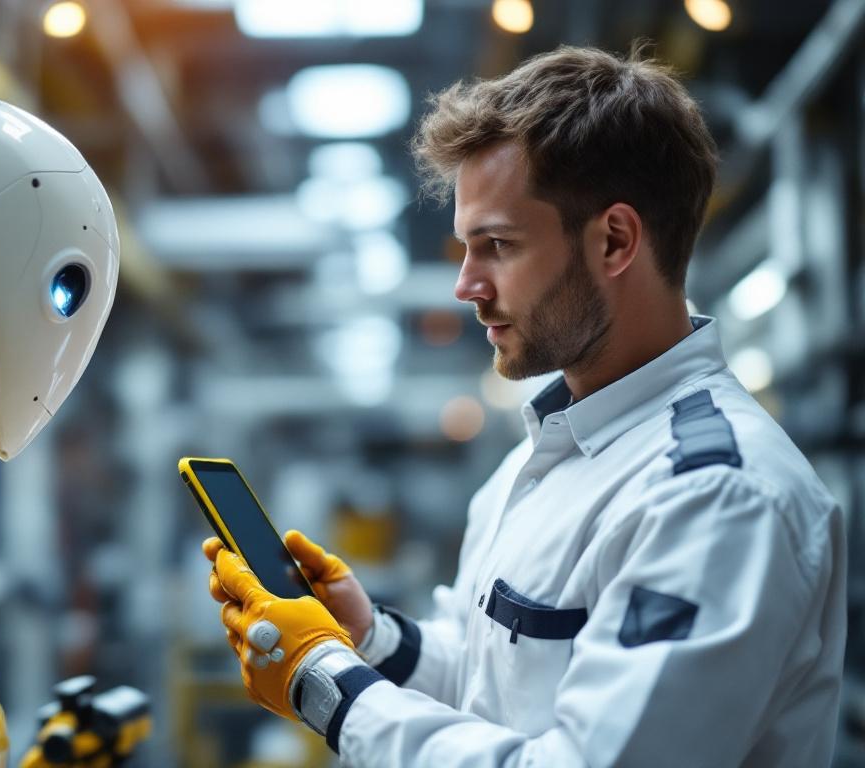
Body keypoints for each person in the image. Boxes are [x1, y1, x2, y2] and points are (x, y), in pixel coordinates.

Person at [202, 45, 845, 766]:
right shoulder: (537, 458)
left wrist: (326, 684)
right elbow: (491, 685)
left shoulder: (717, 498)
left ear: (615, 240)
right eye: (465, 250)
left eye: (498, 246)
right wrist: (368, 638)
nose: (466, 286)